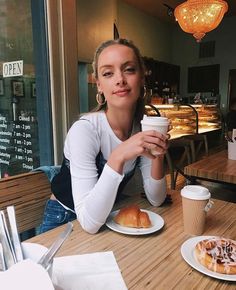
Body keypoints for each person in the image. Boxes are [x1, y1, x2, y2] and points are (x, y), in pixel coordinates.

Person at [40, 38, 169, 234]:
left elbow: (156, 199)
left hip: (106, 217)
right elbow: (89, 224)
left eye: (129, 69)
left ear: (142, 78)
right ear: (99, 85)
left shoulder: (140, 128)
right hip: (64, 220)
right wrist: (119, 155)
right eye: (108, 73)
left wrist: (158, 151)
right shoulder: (84, 131)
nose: (120, 79)